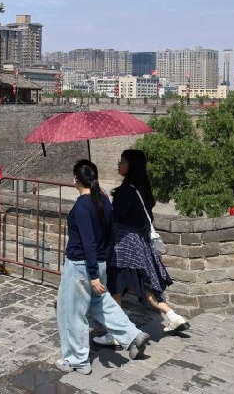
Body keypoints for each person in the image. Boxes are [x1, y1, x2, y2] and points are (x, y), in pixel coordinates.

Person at [56, 159, 150, 374]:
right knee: (101, 303)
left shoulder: (82, 206)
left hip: (81, 267)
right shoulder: (104, 200)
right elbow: (109, 234)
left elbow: (87, 242)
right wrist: (99, 266)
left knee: (72, 313)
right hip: (98, 263)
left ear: (76, 180)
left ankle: (77, 360)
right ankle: (132, 335)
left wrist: (92, 275)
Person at [95, 150, 189, 346]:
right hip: (140, 244)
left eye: (122, 161)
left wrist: (103, 200)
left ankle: (116, 333)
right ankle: (172, 316)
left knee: (116, 287)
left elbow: (116, 216)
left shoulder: (127, 190)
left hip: (123, 246)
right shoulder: (143, 189)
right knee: (143, 285)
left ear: (131, 165)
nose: (119, 164)